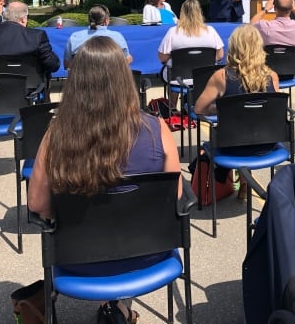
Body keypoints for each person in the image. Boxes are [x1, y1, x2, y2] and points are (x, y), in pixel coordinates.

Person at [27, 36, 182, 324]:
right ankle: (119, 308)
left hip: (78, 261)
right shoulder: (157, 128)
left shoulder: (56, 133)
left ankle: (115, 308)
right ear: (124, 77)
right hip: (149, 255)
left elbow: (38, 204)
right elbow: (174, 196)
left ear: (77, 80)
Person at [194, 24, 280, 200]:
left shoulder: (221, 76)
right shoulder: (272, 76)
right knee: (250, 124)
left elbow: (199, 108)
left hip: (232, 147)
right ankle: (244, 182)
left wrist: (221, 107)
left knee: (236, 128)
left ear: (234, 47)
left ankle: (242, 182)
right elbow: (273, 111)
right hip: (266, 144)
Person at [0, 1, 60, 76]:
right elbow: (53, 65)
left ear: (5, 15)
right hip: (30, 88)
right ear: (23, 19)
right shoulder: (37, 36)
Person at [157, 0, 224, 103]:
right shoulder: (211, 31)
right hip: (204, 78)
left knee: (172, 68)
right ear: (199, 12)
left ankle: (173, 109)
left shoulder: (173, 32)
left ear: (182, 13)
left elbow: (162, 57)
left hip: (178, 79)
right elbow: (220, 56)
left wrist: (178, 58)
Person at [63, 4, 132, 68]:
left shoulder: (75, 37)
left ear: (89, 20)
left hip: (82, 79)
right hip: (111, 79)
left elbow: (67, 64)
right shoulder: (117, 37)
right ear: (107, 21)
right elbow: (126, 60)